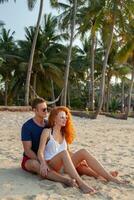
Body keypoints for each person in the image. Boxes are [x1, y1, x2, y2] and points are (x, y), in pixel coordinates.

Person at [38, 106, 127, 193]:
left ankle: (110, 178)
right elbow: (40, 152)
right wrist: (43, 163)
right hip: (53, 164)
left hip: (65, 166)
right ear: (54, 119)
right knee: (64, 153)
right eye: (62, 117)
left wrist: (79, 159)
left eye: (66, 117)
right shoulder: (47, 132)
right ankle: (81, 183)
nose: (65, 119)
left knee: (83, 151)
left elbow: (67, 151)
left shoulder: (63, 134)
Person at [21, 98, 77, 187]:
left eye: (47, 109)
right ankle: (66, 180)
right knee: (36, 165)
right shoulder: (27, 126)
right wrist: (42, 162)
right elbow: (27, 150)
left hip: (46, 157)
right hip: (30, 158)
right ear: (35, 110)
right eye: (43, 109)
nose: (46, 111)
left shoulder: (48, 124)